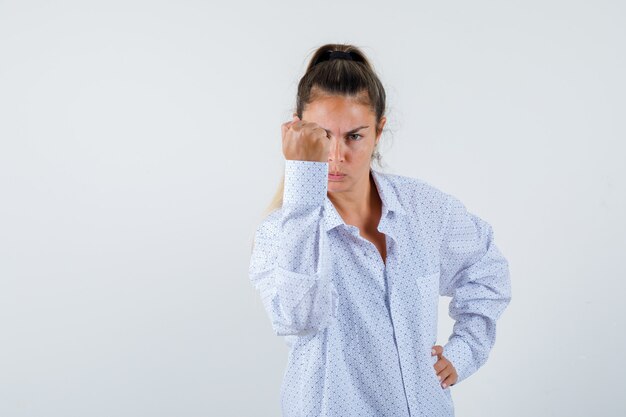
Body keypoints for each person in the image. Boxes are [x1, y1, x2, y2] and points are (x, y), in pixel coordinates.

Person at [248, 43, 512, 417]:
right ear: (298, 131)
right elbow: (298, 320)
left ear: (379, 129)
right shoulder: (282, 232)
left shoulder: (425, 209)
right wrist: (302, 176)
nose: (336, 155)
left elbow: (487, 271)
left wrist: (464, 351)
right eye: (323, 136)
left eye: (354, 136)